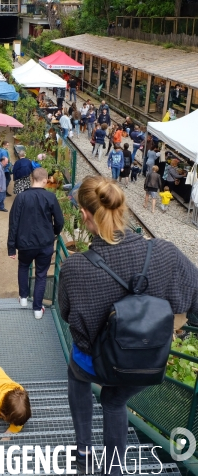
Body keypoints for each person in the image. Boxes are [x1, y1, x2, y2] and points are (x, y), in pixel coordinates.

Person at [58, 175, 198, 476]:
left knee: (76, 373)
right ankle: (114, 468)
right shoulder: (166, 253)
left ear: (84, 215)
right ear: (122, 208)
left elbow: (68, 315)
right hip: (143, 362)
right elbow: (194, 301)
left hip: (94, 362)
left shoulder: (74, 267)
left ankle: (83, 453)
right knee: (114, 399)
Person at [8, 168, 64, 319]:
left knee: (24, 267)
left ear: (32, 178)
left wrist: (11, 248)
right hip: (45, 243)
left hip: (25, 243)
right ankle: (38, 309)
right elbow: (59, 221)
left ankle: (23, 298)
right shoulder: (50, 197)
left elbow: (13, 223)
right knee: (41, 275)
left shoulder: (21, 197)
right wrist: (54, 232)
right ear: (45, 180)